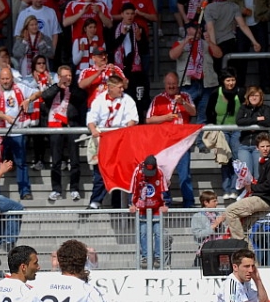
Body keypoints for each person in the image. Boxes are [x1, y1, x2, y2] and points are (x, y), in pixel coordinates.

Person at [86, 74, 138, 210]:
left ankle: (118, 204)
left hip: (121, 140)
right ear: (110, 88)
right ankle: (95, 202)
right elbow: (91, 118)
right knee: (101, 172)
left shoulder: (128, 100)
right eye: (119, 87)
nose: (122, 90)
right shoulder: (99, 100)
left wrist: (125, 131)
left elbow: (133, 119)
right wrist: (93, 130)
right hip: (104, 140)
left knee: (120, 172)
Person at [145, 71, 196, 208]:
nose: (171, 86)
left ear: (178, 84)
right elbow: (149, 119)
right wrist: (165, 118)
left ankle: (189, 203)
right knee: (164, 175)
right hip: (165, 144)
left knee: (184, 174)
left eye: (174, 84)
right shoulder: (158, 99)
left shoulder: (186, 96)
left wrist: (183, 102)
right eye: (169, 84)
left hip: (183, 142)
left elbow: (193, 112)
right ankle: (166, 201)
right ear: (164, 84)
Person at [225, 132, 270, 246]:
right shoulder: (265, 161)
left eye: (267, 146)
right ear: (257, 148)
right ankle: (247, 252)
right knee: (242, 226)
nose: (265, 149)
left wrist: (252, 187)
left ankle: (240, 245)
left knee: (230, 211)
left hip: (264, 199)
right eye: (262, 146)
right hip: (264, 199)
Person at [0, 67, 33, 201]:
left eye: (7, 78)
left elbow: (37, 92)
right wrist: (6, 117)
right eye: (3, 79)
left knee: (21, 162)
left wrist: (28, 100)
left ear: (12, 78)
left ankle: (25, 191)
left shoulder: (20, 87)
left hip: (17, 131)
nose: (5, 81)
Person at [42, 65, 86, 203]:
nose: (68, 78)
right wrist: (58, 87)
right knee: (56, 161)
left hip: (71, 126)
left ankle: (74, 188)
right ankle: (56, 189)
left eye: (70, 75)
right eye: (65, 76)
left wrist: (69, 88)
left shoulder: (75, 88)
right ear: (59, 76)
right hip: (55, 126)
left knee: (74, 160)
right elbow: (45, 96)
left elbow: (81, 97)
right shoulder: (54, 87)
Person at [205, 68, 242, 200]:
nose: (231, 83)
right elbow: (209, 111)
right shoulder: (216, 93)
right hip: (222, 130)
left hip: (237, 129)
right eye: (228, 80)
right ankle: (226, 189)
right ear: (222, 81)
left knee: (236, 159)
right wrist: (213, 126)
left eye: (233, 80)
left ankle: (235, 188)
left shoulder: (240, 92)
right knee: (225, 159)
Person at [129, 155, 169, 270]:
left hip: (156, 208)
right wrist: (131, 204)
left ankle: (158, 257)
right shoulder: (137, 171)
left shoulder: (160, 172)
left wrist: (166, 204)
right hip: (142, 208)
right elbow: (132, 189)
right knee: (143, 233)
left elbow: (164, 189)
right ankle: (145, 257)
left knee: (158, 233)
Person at [235, 86, 270, 181]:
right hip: (244, 145)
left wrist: (248, 122)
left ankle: (258, 190)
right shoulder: (243, 108)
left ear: (261, 97)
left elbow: (268, 122)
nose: (254, 98)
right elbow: (239, 121)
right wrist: (257, 119)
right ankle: (247, 190)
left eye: (256, 95)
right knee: (246, 175)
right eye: (251, 95)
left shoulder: (266, 108)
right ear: (247, 97)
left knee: (259, 175)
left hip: (259, 146)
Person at [191, 190, 226, 267]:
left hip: (218, 247)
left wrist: (220, 224)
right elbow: (198, 234)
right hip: (204, 249)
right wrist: (214, 225)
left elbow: (222, 232)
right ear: (206, 203)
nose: (217, 203)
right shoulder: (197, 216)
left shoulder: (217, 214)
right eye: (214, 201)